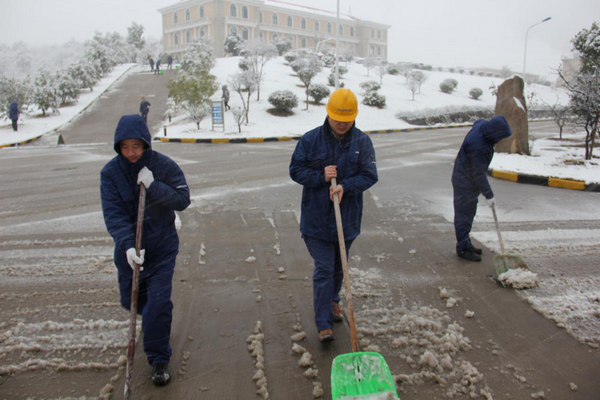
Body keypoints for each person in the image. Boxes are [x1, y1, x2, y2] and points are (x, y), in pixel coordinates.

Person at [100, 114, 191, 386]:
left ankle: (159, 359)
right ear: (118, 147)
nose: (131, 153)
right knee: (134, 304)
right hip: (131, 255)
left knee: (157, 305)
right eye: (125, 147)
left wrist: (154, 185)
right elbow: (114, 215)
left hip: (162, 248)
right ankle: (154, 326)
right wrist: (128, 246)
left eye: (136, 147)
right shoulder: (110, 173)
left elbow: (182, 199)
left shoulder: (162, 166)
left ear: (145, 144)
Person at [289, 89, 378, 343]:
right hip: (316, 219)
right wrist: (321, 176)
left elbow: (370, 175)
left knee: (340, 268)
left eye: (347, 118)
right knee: (325, 268)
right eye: (338, 117)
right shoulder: (310, 140)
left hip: (347, 218)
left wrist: (345, 186)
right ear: (328, 113)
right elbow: (295, 170)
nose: (342, 123)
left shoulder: (362, 142)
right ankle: (323, 323)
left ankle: (333, 300)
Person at [451, 116, 512, 262]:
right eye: (500, 137)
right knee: (464, 216)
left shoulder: (482, 126)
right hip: (465, 182)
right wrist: (489, 195)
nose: (500, 140)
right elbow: (479, 174)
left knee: (468, 214)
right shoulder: (478, 147)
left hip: (466, 178)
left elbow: (478, 121)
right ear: (494, 133)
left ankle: (466, 242)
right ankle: (463, 248)